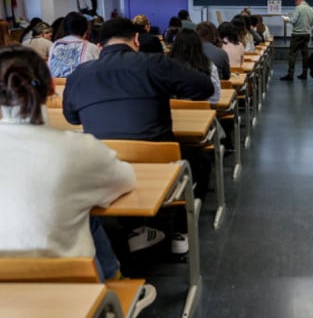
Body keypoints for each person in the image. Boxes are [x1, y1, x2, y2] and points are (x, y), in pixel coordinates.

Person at [62, 18, 214, 253]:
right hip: (158, 160)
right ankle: (180, 233)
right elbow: (205, 87)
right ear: (136, 40)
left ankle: (137, 230)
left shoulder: (79, 74)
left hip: (104, 163)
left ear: (99, 46)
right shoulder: (154, 63)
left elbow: (72, 118)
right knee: (201, 160)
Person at [0, 46, 135, 281]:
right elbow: (126, 180)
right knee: (84, 212)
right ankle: (115, 280)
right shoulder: (78, 148)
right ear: (52, 86)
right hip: (74, 294)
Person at [169, 29, 221, 104]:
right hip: (203, 113)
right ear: (199, 46)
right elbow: (215, 98)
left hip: (173, 113)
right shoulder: (209, 66)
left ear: (176, 45)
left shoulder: (167, 66)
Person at [48, 11, 99, 77]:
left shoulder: (55, 45)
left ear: (65, 28)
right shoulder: (91, 47)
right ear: (85, 30)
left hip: (56, 85)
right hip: (81, 85)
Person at [281, 0, 313, 80]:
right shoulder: (311, 9)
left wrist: (286, 19)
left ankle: (290, 74)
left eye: (295, 1)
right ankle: (304, 74)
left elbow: (293, 20)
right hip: (306, 34)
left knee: (292, 54)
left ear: (298, 0)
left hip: (297, 34)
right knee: (305, 55)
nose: (295, 3)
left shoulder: (298, 8)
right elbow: (311, 24)